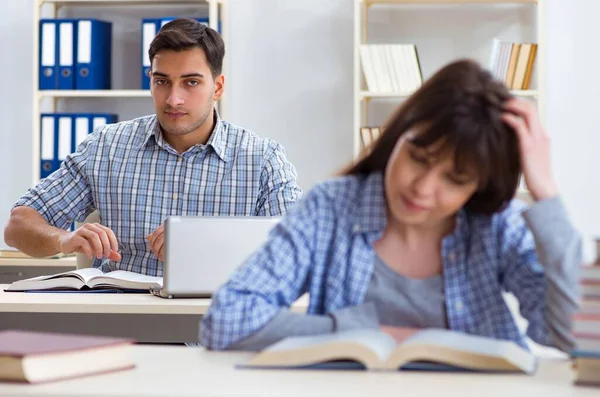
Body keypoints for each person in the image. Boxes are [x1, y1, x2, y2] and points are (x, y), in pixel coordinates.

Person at [200, 59, 581, 353]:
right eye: (418, 157)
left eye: (455, 180)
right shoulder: (330, 208)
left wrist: (545, 193)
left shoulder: (495, 224)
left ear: (478, 186)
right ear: (397, 136)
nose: (423, 188)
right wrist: (362, 332)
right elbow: (226, 320)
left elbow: (575, 336)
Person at [4, 18, 302, 276]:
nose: (173, 99)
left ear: (218, 87)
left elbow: (298, 253)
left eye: (191, 83)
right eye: (162, 81)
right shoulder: (106, 147)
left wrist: (207, 245)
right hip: (123, 325)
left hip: (215, 327)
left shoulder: (263, 159)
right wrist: (63, 239)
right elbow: (18, 225)